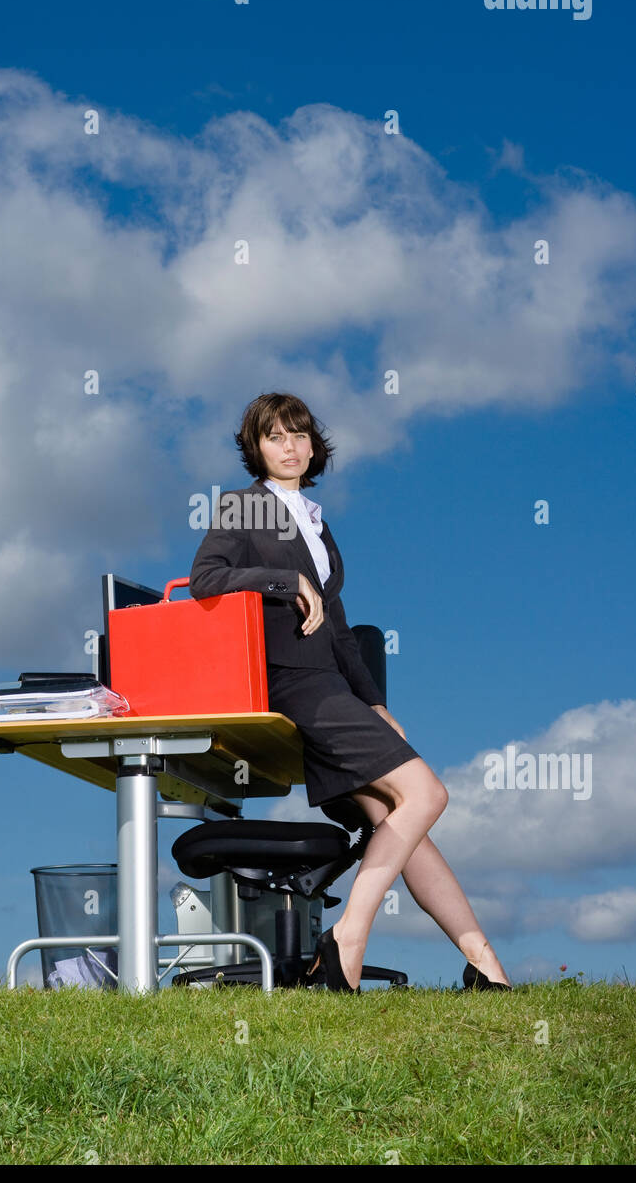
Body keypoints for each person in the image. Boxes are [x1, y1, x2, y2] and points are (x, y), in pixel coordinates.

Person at [188, 392, 512, 994]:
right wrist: (286, 581)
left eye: (299, 435)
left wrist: (375, 702)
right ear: (255, 449)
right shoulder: (243, 507)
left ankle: (485, 964)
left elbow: (337, 627)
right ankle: (348, 935)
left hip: (332, 684)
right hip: (288, 681)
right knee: (426, 793)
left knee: (397, 816)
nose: (290, 447)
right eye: (275, 437)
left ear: (314, 445)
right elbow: (205, 579)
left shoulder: (316, 521)